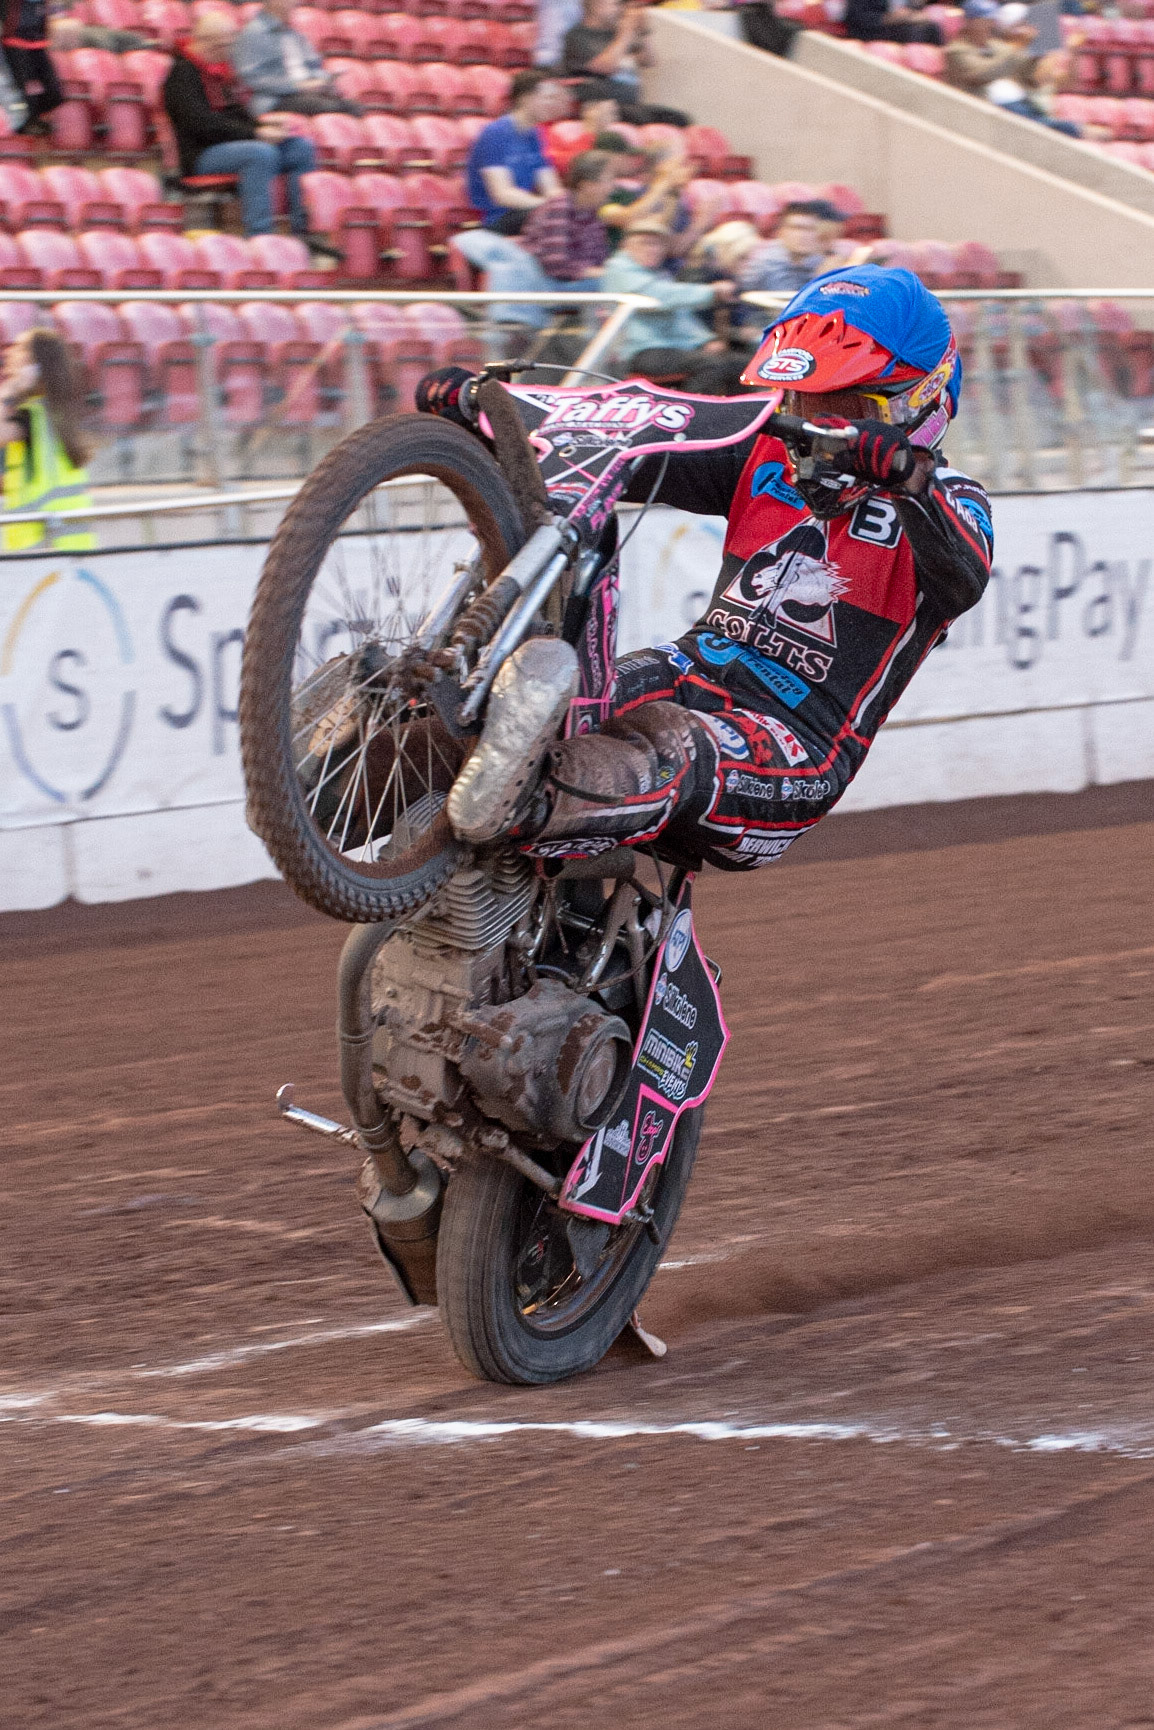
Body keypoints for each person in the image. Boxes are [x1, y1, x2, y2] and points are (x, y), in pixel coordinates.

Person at [415, 265, 992, 875]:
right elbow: (629, 440)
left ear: (918, 401)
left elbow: (964, 576)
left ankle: (514, 808)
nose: (815, 426)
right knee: (524, 711)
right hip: (684, 671)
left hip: (795, 747)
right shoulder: (766, 453)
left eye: (843, 404)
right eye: (802, 400)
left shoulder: (953, 500)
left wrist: (908, 481)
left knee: (671, 743)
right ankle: (333, 771)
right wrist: (495, 414)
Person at [162, 10, 333, 253]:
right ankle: (260, 237)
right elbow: (201, 124)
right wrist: (256, 135)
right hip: (201, 155)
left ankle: (302, 232)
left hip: (234, 146)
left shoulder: (217, 72)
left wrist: (263, 127)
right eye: (226, 43)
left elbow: (235, 114)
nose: (230, 49)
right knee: (260, 153)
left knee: (300, 148)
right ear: (210, 42)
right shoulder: (182, 75)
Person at [597, 216, 743, 391]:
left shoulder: (659, 274)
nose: (652, 249)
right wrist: (711, 292)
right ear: (626, 246)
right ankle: (694, 415)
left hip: (672, 347)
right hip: (639, 351)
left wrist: (704, 340)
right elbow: (659, 297)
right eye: (645, 243)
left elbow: (680, 315)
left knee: (742, 363)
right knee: (712, 365)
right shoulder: (618, 269)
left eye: (657, 244)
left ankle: (755, 417)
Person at [0, 328, 95, 551]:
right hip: (69, 545)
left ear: (38, 365)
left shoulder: (32, 416)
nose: (10, 352)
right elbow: (30, 482)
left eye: (21, 348)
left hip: (45, 545)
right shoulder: (56, 414)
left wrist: (10, 389)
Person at [464, 68, 565, 235]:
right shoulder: (496, 133)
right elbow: (502, 194)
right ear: (525, 98)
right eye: (546, 98)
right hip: (497, 220)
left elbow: (551, 187)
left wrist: (565, 206)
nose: (552, 104)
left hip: (523, 213)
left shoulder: (535, 135)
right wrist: (547, 207)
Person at [562, 0, 690, 126]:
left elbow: (649, 61)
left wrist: (643, 31)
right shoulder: (577, 35)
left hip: (631, 106)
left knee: (678, 119)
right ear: (596, 6)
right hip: (600, 107)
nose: (621, 9)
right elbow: (605, 66)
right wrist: (626, 32)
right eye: (616, 4)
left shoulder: (618, 35)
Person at [233, 0, 364, 117]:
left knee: (353, 106)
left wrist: (322, 80)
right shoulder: (253, 33)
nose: (295, 3)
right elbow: (253, 79)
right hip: (277, 99)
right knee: (333, 107)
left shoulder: (294, 34)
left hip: (307, 94)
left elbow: (314, 66)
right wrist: (298, 86)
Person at [943, 0, 1037, 95]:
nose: (991, 25)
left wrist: (1039, 59)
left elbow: (1026, 74)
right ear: (970, 22)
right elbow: (981, 75)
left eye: (993, 21)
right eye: (986, 21)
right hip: (965, 101)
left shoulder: (996, 45)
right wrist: (1016, 47)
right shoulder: (956, 50)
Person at [738, 202, 829, 299]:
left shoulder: (822, 264)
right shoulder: (761, 265)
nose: (803, 236)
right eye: (796, 228)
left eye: (810, 229)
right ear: (781, 232)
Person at [3, 0, 63, 132]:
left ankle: (36, 118)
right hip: (15, 42)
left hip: (38, 42)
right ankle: (27, 123)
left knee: (55, 92)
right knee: (24, 90)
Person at [843, 0, 943, 46]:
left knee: (933, 28)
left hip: (898, 26)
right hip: (871, 30)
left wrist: (915, 11)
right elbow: (859, 18)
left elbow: (910, 11)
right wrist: (891, 18)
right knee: (916, 32)